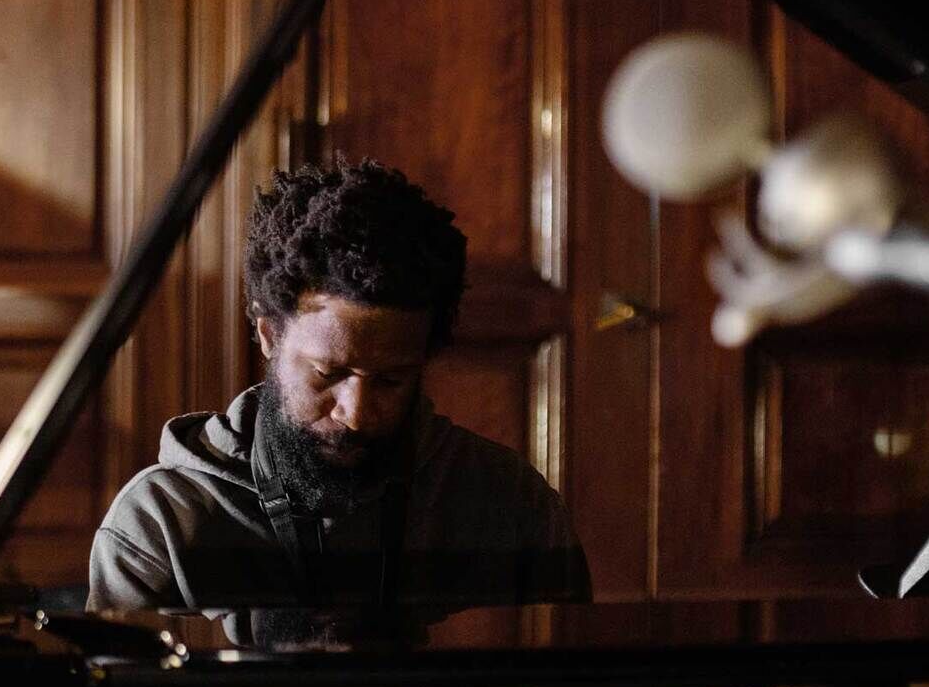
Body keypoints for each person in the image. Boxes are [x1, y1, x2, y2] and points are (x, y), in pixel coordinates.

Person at [88, 159, 589, 611]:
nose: (357, 413)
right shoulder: (161, 525)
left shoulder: (510, 506)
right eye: (328, 374)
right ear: (267, 333)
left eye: (392, 380)